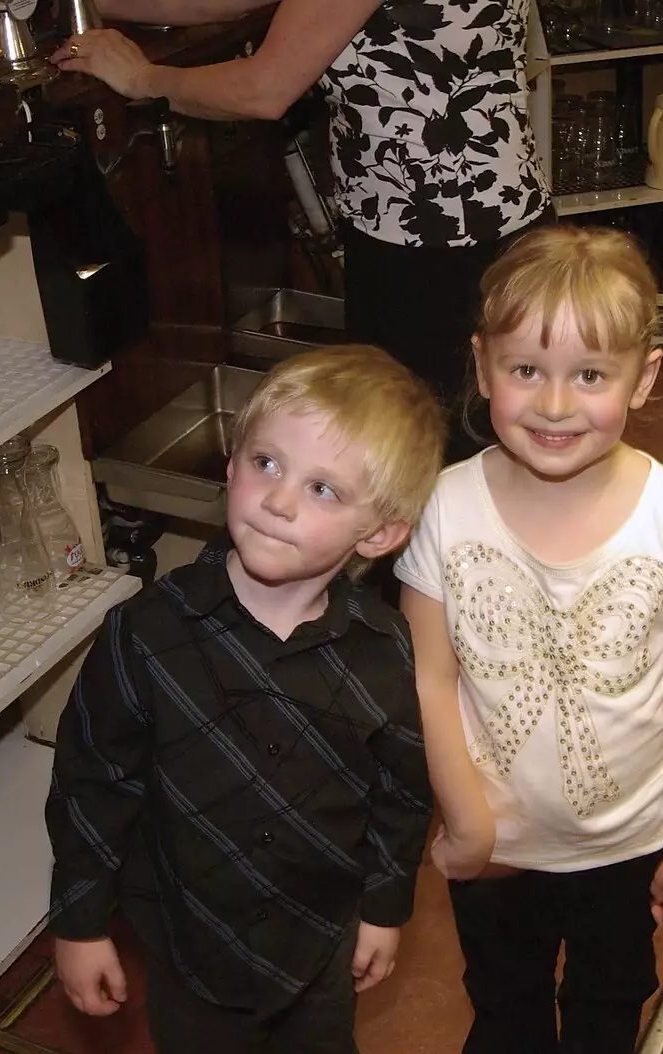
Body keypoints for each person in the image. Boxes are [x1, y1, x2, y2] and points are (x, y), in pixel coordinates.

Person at [395, 225, 663, 1054]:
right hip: (496, 847)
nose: (554, 406)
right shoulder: (442, 507)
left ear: (643, 378)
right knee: (505, 1013)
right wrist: (467, 822)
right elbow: (430, 680)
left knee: (604, 1015)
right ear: (482, 368)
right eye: (525, 372)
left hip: (630, 845)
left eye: (589, 375)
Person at [45, 344, 446, 1054]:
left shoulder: (385, 648)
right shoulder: (144, 635)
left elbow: (401, 794)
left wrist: (385, 909)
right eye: (266, 463)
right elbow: (91, 786)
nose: (279, 499)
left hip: (319, 944)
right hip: (187, 942)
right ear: (230, 466)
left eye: (324, 489)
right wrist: (80, 922)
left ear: (380, 533)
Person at [54, 0, 551, 455]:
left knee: (417, 452)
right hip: (499, 214)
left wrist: (141, 78)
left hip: (428, 242)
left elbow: (264, 89)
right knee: (494, 444)